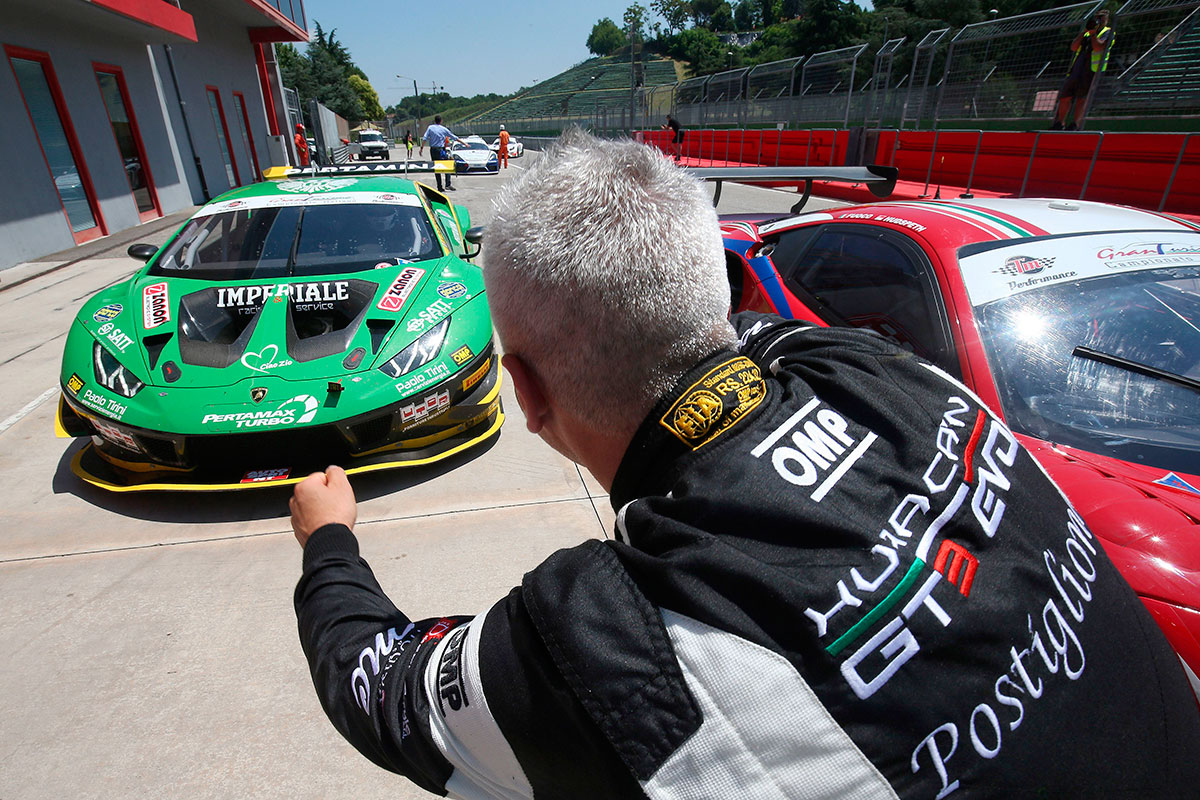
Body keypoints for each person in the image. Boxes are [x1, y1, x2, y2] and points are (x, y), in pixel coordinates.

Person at [292, 130, 1200, 798]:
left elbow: (382, 690)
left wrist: (328, 542)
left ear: (524, 391)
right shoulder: (883, 371)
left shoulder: (599, 640)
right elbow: (749, 339)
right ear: (719, 304)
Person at [1052, 9, 1115, 131]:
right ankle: (1060, 123)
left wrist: (1093, 34)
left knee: (1082, 98)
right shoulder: (1087, 33)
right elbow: (1073, 47)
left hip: (1091, 70)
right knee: (1065, 96)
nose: (1098, 21)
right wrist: (1084, 32)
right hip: (1077, 68)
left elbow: (1098, 47)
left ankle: (1075, 124)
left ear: (1107, 20)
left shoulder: (1108, 32)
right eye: (1097, 18)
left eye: (1101, 18)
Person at [419, 114, 463, 191]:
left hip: (433, 150)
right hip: (441, 150)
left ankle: (439, 186)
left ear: (434, 121)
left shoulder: (430, 127)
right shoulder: (443, 129)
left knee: (436, 168)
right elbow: (454, 137)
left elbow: (425, 138)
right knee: (447, 166)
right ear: (441, 121)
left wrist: (421, 148)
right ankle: (448, 184)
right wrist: (464, 143)